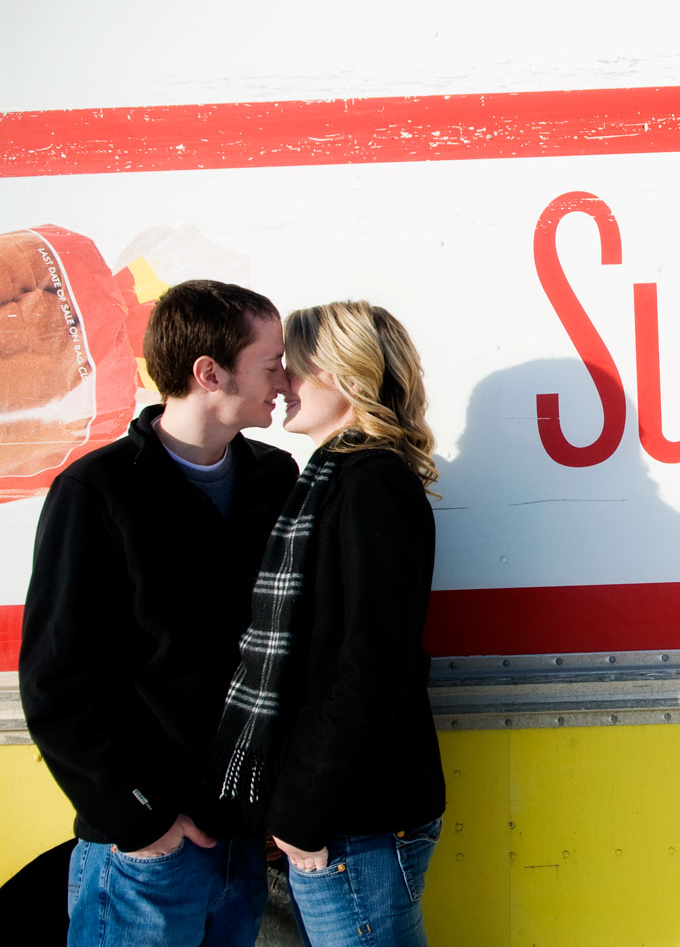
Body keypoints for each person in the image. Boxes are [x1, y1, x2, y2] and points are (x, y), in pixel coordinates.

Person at [20, 279, 299, 946]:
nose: (286, 381)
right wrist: (142, 819)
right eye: (271, 363)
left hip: (242, 844)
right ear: (210, 373)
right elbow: (56, 682)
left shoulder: (274, 478)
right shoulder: (98, 491)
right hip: (148, 856)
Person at [213, 301, 445, 947]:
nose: (281, 381)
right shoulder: (334, 478)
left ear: (342, 374)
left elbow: (371, 666)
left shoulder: (373, 486)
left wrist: (304, 810)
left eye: (293, 366)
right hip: (341, 815)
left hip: (355, 821)